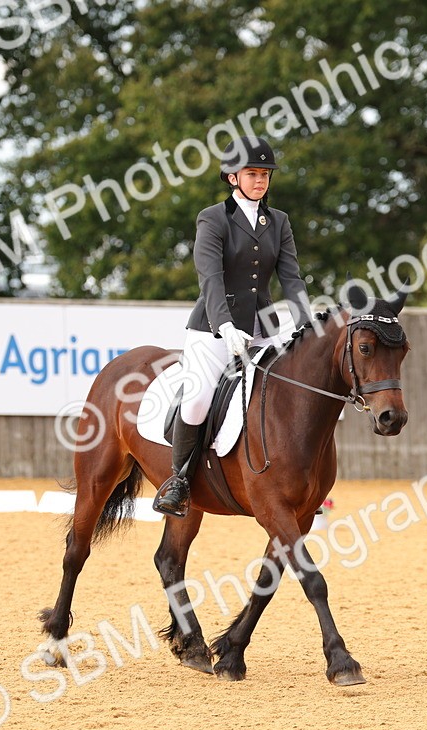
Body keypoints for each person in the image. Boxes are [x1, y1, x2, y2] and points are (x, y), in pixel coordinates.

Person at [152, 136, 312, 518]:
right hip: (212, 327)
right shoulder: (213, 218)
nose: (260, 180)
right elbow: (211, 278)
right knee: (197, 398)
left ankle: (296, 480)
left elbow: (292, 277)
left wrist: (306, 322)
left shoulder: (279, 222)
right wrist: (224, 325)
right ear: (232, 177)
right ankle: (179, 480)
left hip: (263, 325)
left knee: (291, 390)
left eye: (265, 174)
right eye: (252, 173)